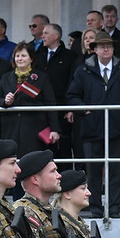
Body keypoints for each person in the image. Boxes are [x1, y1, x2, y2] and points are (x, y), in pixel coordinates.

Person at [67, 31, 120, 218]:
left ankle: (115, 209)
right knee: (93, 171)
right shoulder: (83, 71)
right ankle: (96, 209)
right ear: (95, 49)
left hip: (118, 129)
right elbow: (72, 96)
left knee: (117, 170)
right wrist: (84, 109)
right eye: (101, 46)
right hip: (92, 128)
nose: (106, 49)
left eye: (109, 46)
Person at [0, 42, 60, 162]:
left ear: (31, 59)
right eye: (17, 56)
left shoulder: (41, 77)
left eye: (23, 55)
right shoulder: (6, 77)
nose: (20, 59)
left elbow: (50, 103)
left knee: (33, 162)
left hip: (34, 128)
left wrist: (54, 129)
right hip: (11, 128)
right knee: (11, 161)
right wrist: (5, 101)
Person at [35, 24, 78, 165]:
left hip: (61, 110)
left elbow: (73, 83)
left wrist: (70, 108)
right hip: (41, 110)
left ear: (56, 36)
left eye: (46, 33)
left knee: (63, 149)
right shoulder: (38, 55)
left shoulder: (70, 57)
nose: (42, 36)